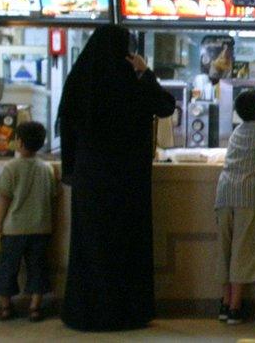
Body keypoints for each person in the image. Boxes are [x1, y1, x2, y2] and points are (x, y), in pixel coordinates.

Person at [59, 24, 177, 331]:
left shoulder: (79, 79)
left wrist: (71, 171)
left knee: (90, 246)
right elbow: (165, 106)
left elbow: (67, 131)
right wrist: (145, 72)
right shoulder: (130, 80)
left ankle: (86, 312)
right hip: (128, 179)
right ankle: (126, 312)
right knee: (126, 245)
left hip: (89, 178)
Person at [0, 121, 57, 322]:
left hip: (14, 229)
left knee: (7, 269)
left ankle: (5, 307)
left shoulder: (11, 167)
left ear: (18, 142)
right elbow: (53, 196)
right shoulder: (47, 168)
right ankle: (35, 307)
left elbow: (4, 197)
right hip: (40, 228)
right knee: (38, 269)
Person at [214, 90, 255, 325]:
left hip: (225, 192)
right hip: (249, 195)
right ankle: (236, 307)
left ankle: (225, 304)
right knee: (243, 251)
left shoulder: (237, 131)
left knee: (225, 249)